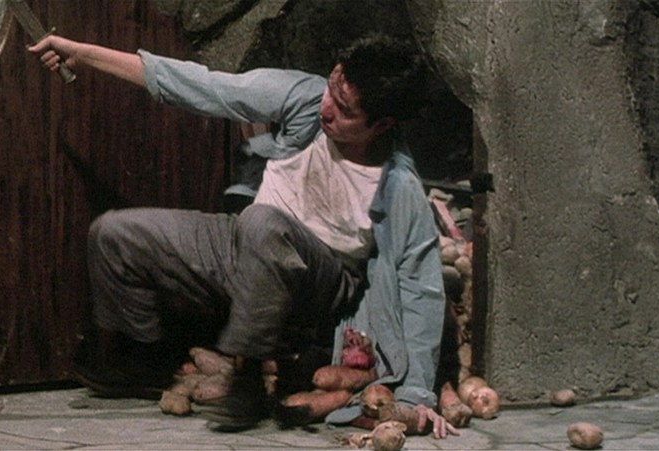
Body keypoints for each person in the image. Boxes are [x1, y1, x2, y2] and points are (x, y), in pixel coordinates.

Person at [28, 31, 459, 438]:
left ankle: (247, 375)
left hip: (317, 286)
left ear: (381, 125)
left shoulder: (397, 185)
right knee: (114, 234)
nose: (327, 109)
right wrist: (83, 54)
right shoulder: (306, 100)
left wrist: (416, 394)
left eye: (345, 111)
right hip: (245, 245)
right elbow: (206, 87)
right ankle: (147, 362)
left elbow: (420, 287)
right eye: (332, 89)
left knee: (262, 223)